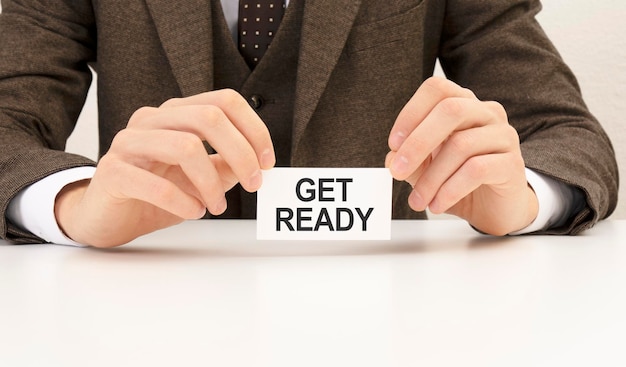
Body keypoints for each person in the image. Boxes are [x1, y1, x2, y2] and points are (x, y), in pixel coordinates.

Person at [0, 0, 618, 248]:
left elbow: (570, 137)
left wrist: (520, 200)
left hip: (390, 340)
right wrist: (70, 207)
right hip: (127, 339)